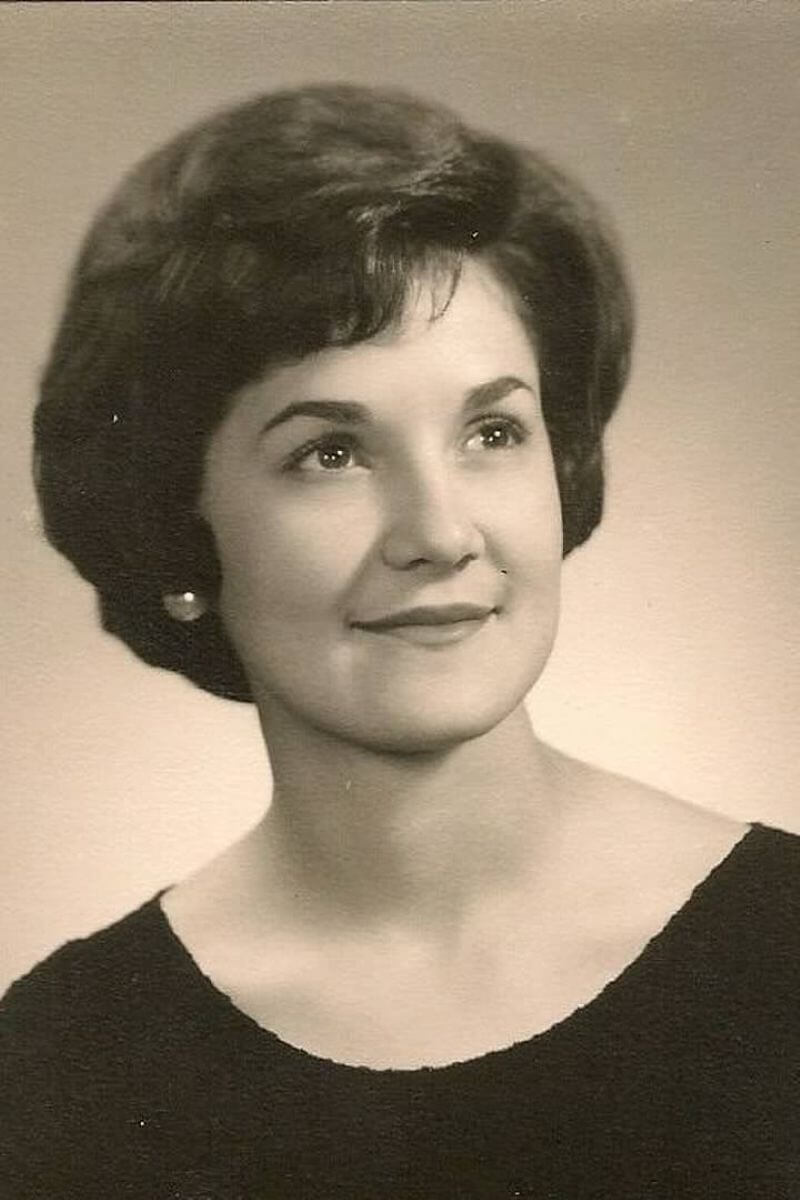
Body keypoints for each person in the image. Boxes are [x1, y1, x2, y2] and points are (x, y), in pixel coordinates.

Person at [2, 83, 797, 1200]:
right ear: (177, 531)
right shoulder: (60, 1065)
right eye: (329, 454)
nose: (439, 533)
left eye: (491, 432)